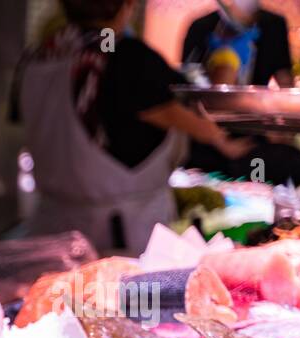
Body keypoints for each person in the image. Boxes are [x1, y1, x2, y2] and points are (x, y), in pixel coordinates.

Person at [13, 0, 250, 253]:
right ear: (126, 6)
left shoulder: (36, 56)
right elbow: (191, 120)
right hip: (116, 237)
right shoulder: (129, 57)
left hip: (47, 228)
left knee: (54, 292)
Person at [181, 1, 300, 184]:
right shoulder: (202, 27)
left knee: (268, 178)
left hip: (255, 143)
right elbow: (189, 93)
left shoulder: (273, 25)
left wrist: (283, 131)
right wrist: (222, 143)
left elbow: (285, 84)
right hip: (207, 141)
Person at [182, 0, 294, 88]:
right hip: (207, 108)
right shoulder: (201, 26)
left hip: (254, 110)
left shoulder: (274, 25)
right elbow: (187, 75)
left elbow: (284, 77)